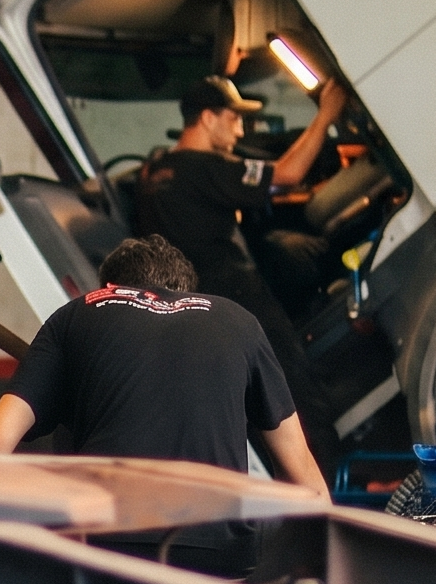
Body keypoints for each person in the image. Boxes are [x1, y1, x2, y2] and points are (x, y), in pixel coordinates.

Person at [0, 233, 324, 574]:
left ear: (108, 287)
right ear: (184, 291)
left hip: (107, 544)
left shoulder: (77, 313)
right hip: (218, 550)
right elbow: (300, 468)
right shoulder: (238, 320)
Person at [133, 73, 346, 447]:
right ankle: (325, 484)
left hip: (188, 300)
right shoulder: (206, 167)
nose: (240, 128)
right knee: (293, 386)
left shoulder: (155, 170)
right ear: (206, 119)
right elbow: (289, 174)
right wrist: (326, 116)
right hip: (235, 295)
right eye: (232, 117)